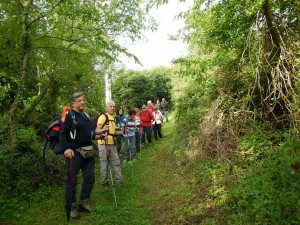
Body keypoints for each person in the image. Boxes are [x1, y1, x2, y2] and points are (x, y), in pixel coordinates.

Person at [59, 92, 97, 220]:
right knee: (71, 180)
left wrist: (97, 135)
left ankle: (84, 201)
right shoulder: (69, 115)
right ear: (73, 102)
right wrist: (66, 148)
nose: (82, 102)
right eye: (79, 100)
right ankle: (71, 206)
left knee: (90, 177)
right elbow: (62, 134)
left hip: (88, 152)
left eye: (83, 100)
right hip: (74, 153)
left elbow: (88, 133)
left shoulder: (85, 116)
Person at [95, 100, 127, 188]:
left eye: (113, 106)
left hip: (112, 143)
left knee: (116, 162)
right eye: (111, 106)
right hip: (103, 144)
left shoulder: (113, 118)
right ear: (106, 107)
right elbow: (97, 130)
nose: (112, 108)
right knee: (104, 164)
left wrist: (122, 132)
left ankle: (118, 182)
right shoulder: (103, 116)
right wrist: (103, 130)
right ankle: (105, 183)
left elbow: (114, 132)